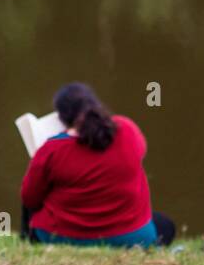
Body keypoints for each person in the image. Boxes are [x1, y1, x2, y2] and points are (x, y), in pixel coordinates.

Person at [20, 83, 176, 248]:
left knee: (34, 188)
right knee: (165, 225)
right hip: (131, 238)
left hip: (62, 238)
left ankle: (27, 240)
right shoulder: (127, 129)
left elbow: (29, 198)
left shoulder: (52, 149)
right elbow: (140, 152)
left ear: (61, 118)